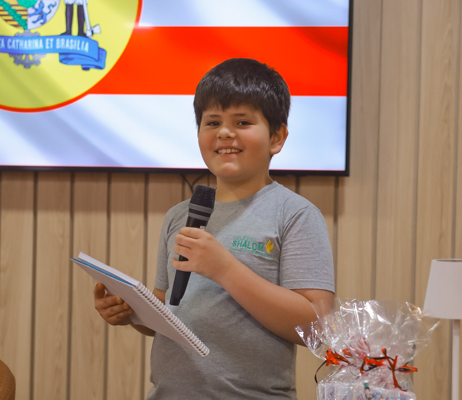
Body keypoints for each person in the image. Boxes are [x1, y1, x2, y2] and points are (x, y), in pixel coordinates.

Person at [94, 58, 335, 399]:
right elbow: (169, 309)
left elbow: (317, 325)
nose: (224, 132)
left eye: (242, 122)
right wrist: (131, 312)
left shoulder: (295, 214)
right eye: (212, 122)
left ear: (277, 137)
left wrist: (224, 269)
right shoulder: (180, 215)